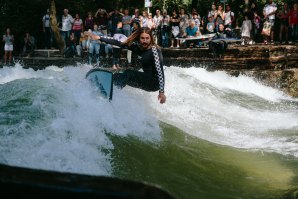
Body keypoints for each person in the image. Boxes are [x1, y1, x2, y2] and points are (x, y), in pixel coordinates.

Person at [85, 27, 166, 104]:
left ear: (151, 38)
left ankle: (114, 92)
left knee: (128, 73)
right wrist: (99, 37)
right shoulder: (137, 46)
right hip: (145, 79)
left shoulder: (155, 51)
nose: (145, 41)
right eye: (142, 38)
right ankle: (107, 91)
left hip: (154, 83)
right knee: (117, 76)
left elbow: (160, 72)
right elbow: (117, 41)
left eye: (147, 38)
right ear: (139, 38)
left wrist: (161, 92)